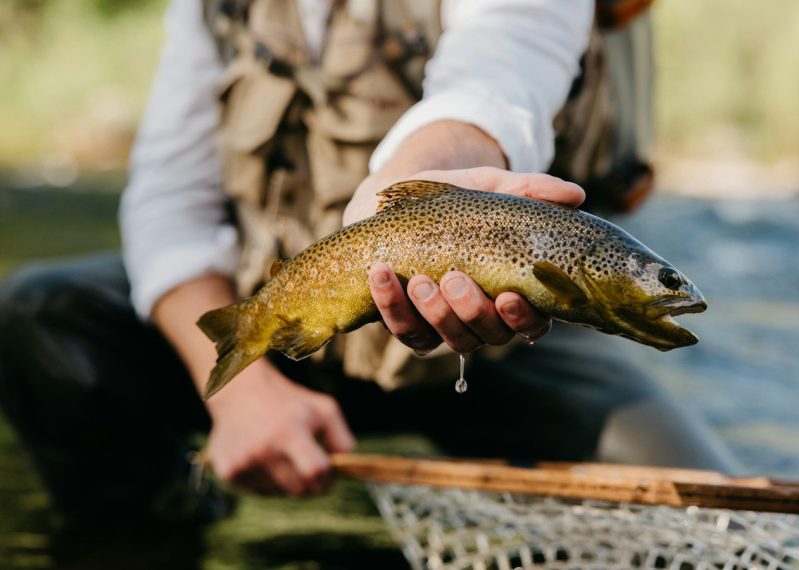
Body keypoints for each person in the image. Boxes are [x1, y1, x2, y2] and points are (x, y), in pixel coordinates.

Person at [0, 0, 738, 528]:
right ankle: (159, 532)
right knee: (39, 316)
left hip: (507, 347)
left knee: (707, 523)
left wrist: (422, 175)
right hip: (301, 316)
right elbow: (168, 205)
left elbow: (502, 69)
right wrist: (237, 391)